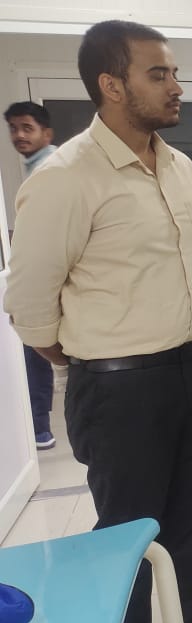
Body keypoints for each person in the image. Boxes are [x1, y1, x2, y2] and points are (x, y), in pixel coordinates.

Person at [2, 20, 192, 623]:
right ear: (112, 85)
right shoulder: (66, 177)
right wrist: (89, 358)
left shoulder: (179, 166)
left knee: (189, 528)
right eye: (158, 74)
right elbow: (28, 305)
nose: (176, 86)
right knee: (129, 539)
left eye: (175, 73)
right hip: (119, 390)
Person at [5, 101, 57, 450]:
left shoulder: (49, 169)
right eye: (14, 128)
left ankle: (40, 427)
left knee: (36, 349)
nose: (19, 135)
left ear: (46, 133)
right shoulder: (36, 166)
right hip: (45, 278)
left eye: (27, 128)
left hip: (49, 280)